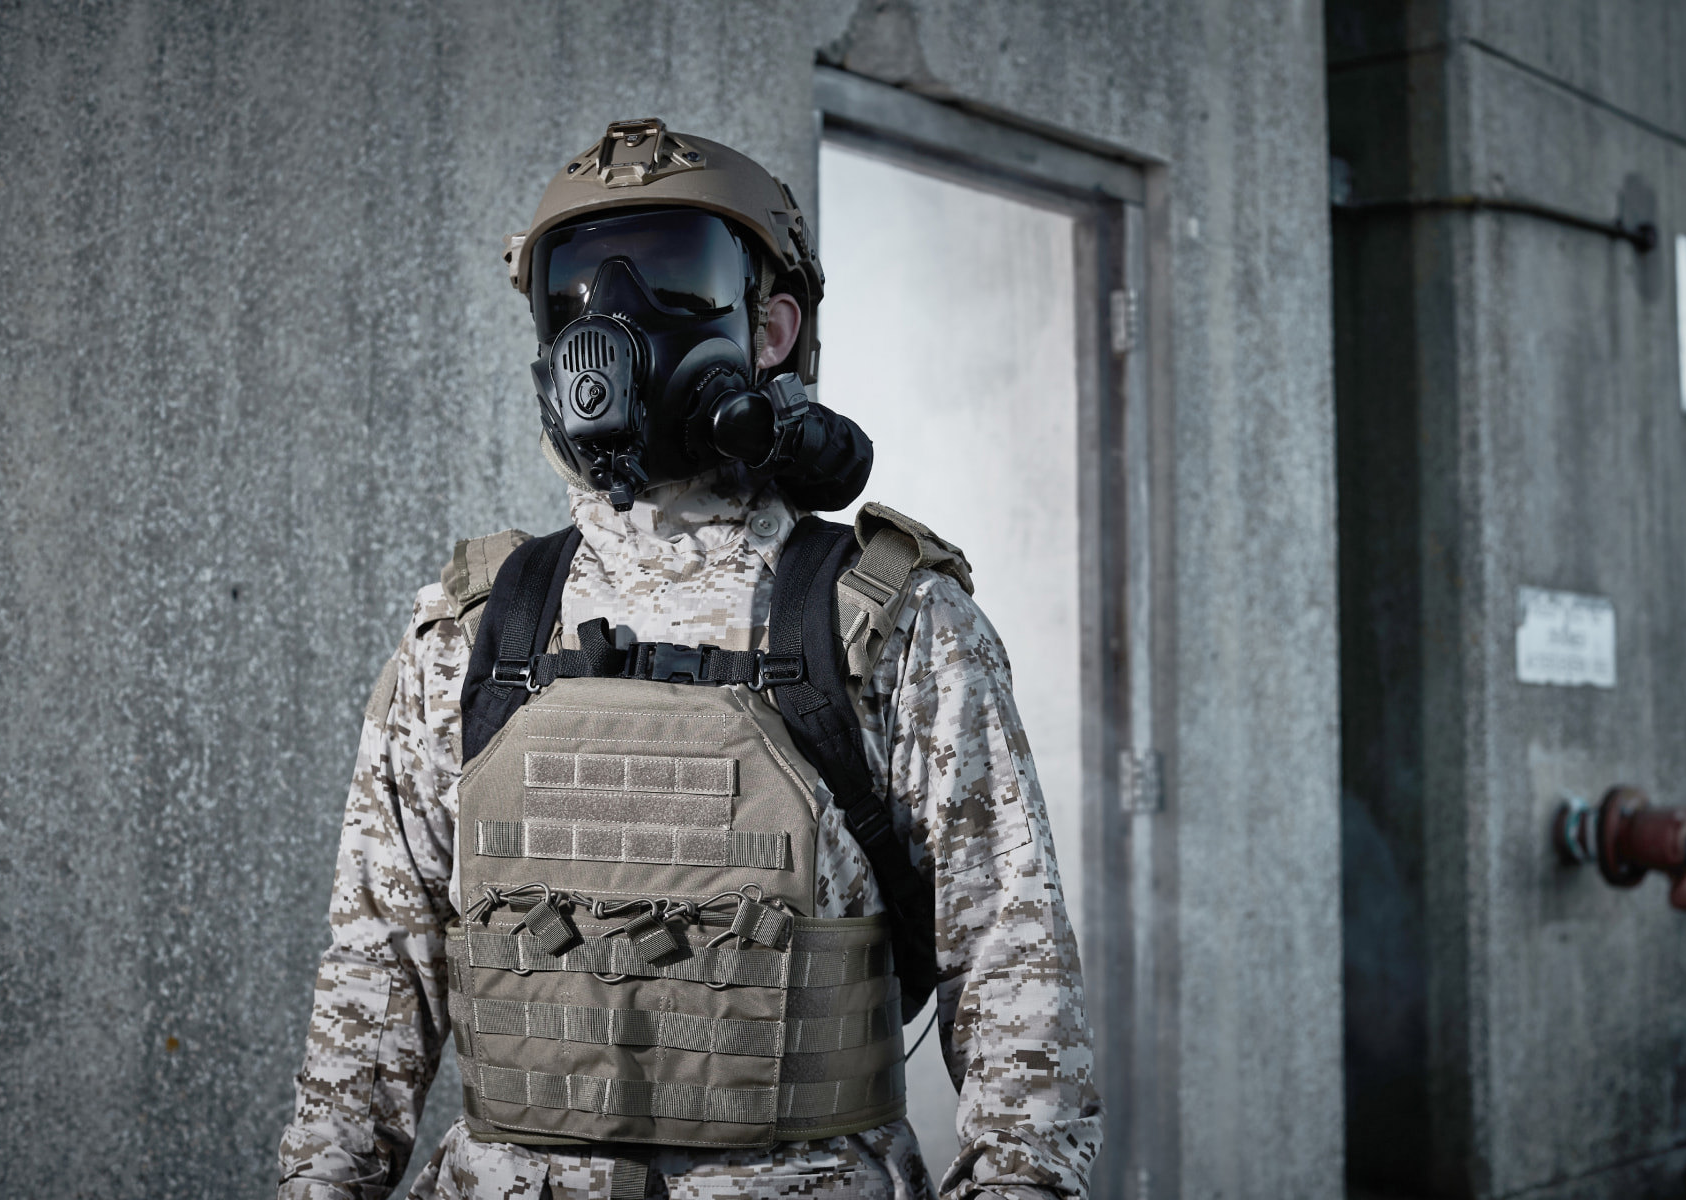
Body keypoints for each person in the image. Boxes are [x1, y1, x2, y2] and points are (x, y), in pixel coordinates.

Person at [276, 118, 1098, 1200]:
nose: (610, 318)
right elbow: (373, 985)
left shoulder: (892, 622)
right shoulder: (472, 633)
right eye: (574, 285)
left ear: (772, 329)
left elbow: (1011, 969)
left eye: (671, 275)